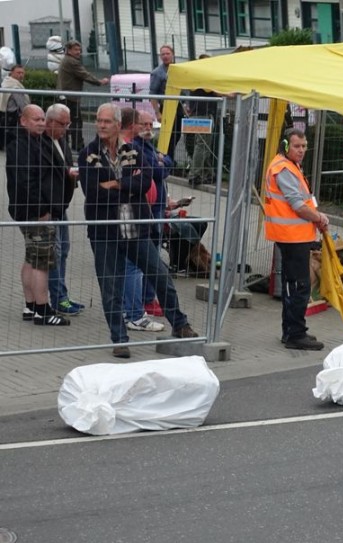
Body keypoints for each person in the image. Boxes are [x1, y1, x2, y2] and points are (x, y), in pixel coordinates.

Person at [78, 103, 198, 358]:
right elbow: (93, 191)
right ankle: (119, 338)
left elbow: (145, 182)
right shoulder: (88, 154)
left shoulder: (133, 151)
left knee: (159, 273)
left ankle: (180, 323)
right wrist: (126, 186)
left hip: (135, 230)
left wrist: (114, 184)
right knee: (110, 286)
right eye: (99, 120)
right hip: (105, 232)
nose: (101, 125)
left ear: (118, 125)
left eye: (106, 121)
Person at [263, 128, 329, 351]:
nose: (301, 150)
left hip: (295, 236)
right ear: (286, 146)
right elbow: (297, 205)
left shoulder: (289, 166)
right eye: (297, 146)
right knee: (298, 285)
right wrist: (319, 217)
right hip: (292, 237)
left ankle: (294, 330)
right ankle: (294, 334)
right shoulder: (283, 169)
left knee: (296, 285)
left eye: (304, 146)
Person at [5, 105, 70, 326]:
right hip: (34, 212)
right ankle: (43, 311)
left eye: (43, 119)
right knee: (42, 261)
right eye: (36, 119)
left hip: (28, 210)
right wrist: (41, 210)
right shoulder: (21, 146)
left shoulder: (30, 142)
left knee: (31, 257)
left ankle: (31, 305)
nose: (42, 123)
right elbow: (26, 182)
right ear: (23, 121)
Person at [119, 107, 166, 331]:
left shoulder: (136, 147)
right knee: (133, 265)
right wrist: (146, 174)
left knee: (133, 264)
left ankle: (132, 310)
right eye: (142, 124)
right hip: (132, 213)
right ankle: (135, 314)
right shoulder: (129, 148)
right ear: (133, 126)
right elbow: (148, 176)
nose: (146, 128)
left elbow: (155, 171)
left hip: (142, 211)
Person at [44, 103, 85, 316]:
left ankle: (62, 295)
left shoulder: (61, 140)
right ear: (49, 122)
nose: (66, 128)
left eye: (68, 123)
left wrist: (71, 174)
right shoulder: (42, 142)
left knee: (64, 250)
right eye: (62, 123)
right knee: (55, 251)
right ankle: (58, 298)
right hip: (49, 206)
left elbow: (66, 164)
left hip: (62, 205)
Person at [57, 40, 109, 151]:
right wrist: (99, 82)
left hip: (65, 95)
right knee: (75, 122)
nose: (78, 52)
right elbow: (84, 74)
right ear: (69, 50)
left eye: (79, 50)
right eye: (75, 50)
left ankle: (66, 146)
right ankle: (77, 147)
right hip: (70, 96)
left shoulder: (67, 60)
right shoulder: (72, 62)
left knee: (68, 122)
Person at [149, 44, 184, 163]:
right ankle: (168, 160)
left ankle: (170, 159)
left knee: (177, 135)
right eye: (163, 54)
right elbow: (152, 94)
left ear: (173, 55)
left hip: (179, 106)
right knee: (169, 136)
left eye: (167, 53)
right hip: (167, 107)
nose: (165, 56)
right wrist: (157, 113)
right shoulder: (157, 73)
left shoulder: (178, 69)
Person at [187, 54, 218, 187]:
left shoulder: (193, 79)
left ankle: (209, 174)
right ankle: (194, 175)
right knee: (202, 146)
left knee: (202, 146)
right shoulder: (205, 79)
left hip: (194, 116)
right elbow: (218, 92)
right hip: (204, 116)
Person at [1, 64, 29, 150]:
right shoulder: (15, 87)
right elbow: (22, 104)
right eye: (18, 73)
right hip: (12, 114)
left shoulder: (6, 81)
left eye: (22, 73)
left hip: (4, 112)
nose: (20, 75)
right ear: (12, 73)